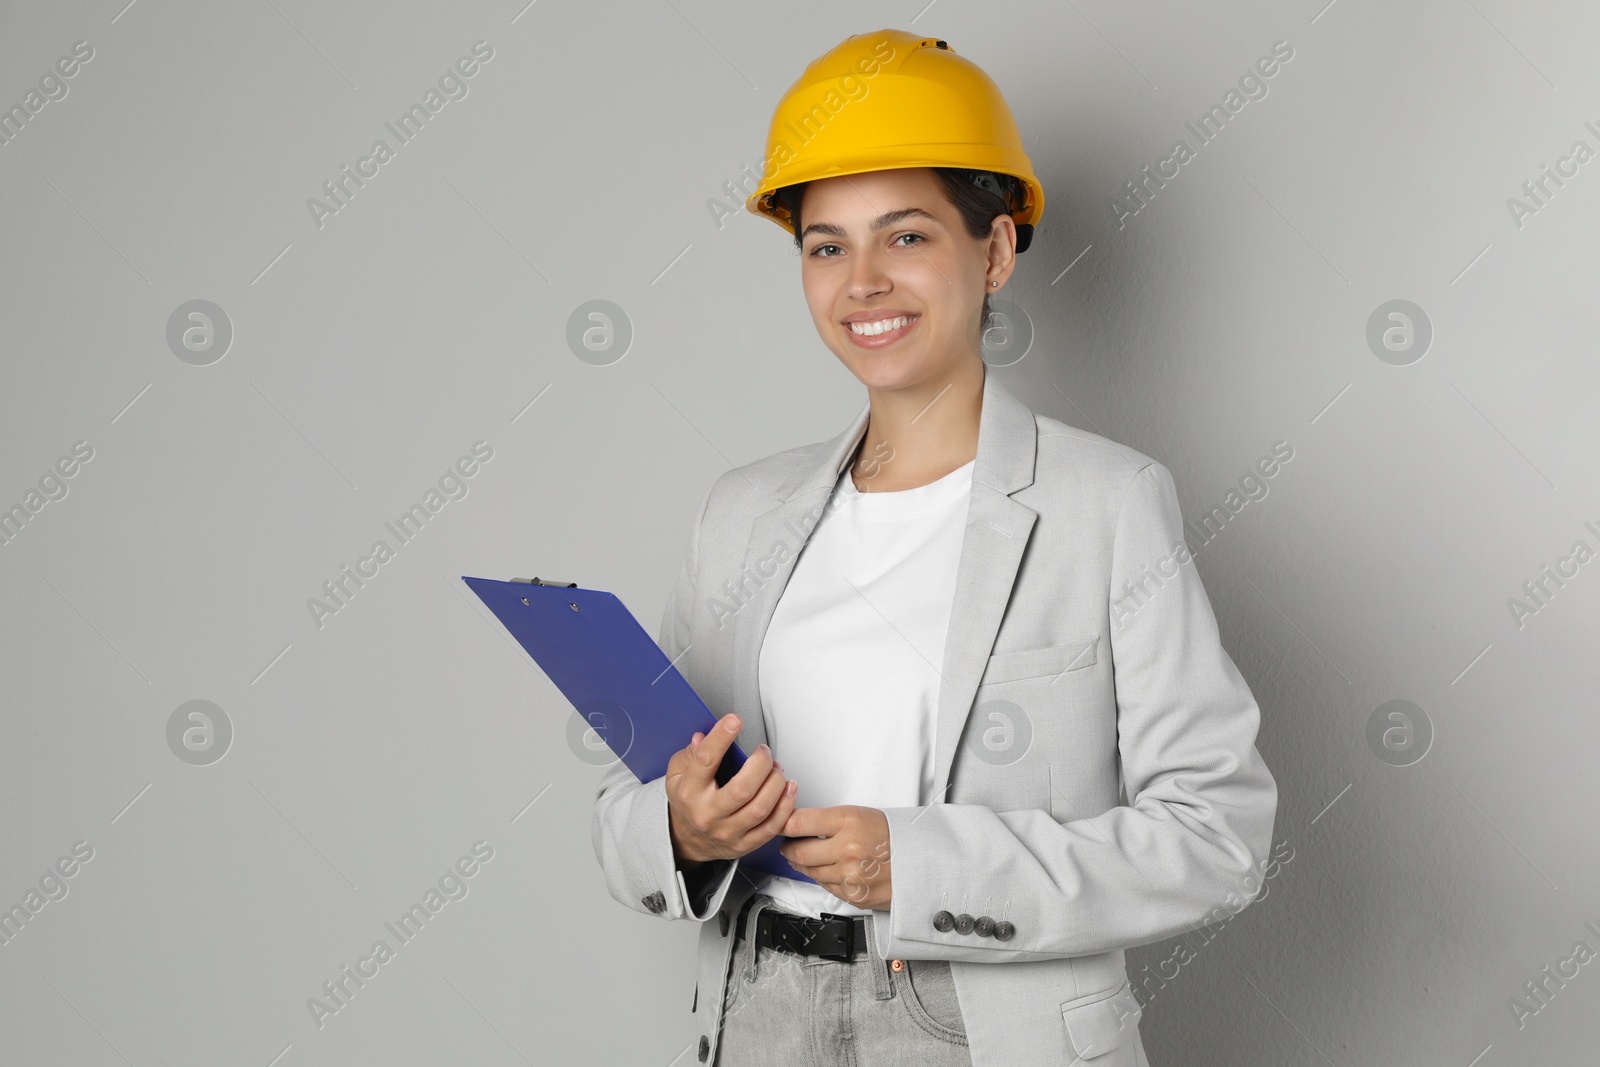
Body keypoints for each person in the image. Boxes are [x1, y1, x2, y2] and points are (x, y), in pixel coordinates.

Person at [591, 29, 1278, 1067]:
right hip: (756, 1007)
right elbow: (621, 815)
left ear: (995, 250)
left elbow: (1218, 835)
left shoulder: (1108, 503)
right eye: (826, 245)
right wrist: (686, 830)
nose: (861, 280)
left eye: (905, 236)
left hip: (981, 1019)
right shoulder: (738, 513)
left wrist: (925, 867)